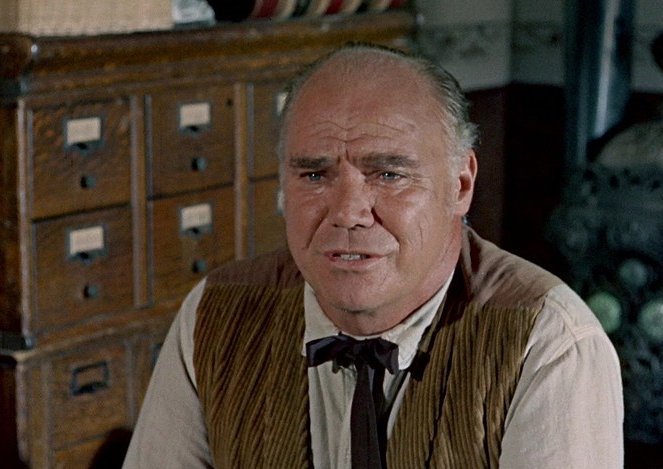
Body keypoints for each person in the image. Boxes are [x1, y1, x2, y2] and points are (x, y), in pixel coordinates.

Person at [122, 43, 624, 468]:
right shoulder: (215, 314)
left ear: (460, 185)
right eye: (314, 175)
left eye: (388, 174)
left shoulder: (548, 344)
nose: (348, 213)